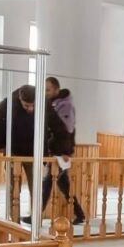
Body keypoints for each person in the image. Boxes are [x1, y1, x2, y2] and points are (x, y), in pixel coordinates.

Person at [0, 84, 70, 224]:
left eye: (33, 105)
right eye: (26, 105)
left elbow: (59, 127)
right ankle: (15, 222)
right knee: (13, 189)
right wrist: (0, 145)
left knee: (36, 189)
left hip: (35, 152)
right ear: (20, 99)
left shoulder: (44, 103)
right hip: (14, 152)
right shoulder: (9, 103)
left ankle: (36, 221)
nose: (30, 109)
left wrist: (65, 150)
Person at [41, 77, 84, 225]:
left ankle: (36, 215)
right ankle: (80, 214)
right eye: (45, 90)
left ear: (56, 90)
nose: (46, 92)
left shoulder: (65, 106)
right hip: (55, 151)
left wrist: (66, 152)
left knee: (47, 183)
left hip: (61, 153)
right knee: (64, 185)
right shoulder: (52, 104)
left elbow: (67, 131)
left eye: (48, 90)